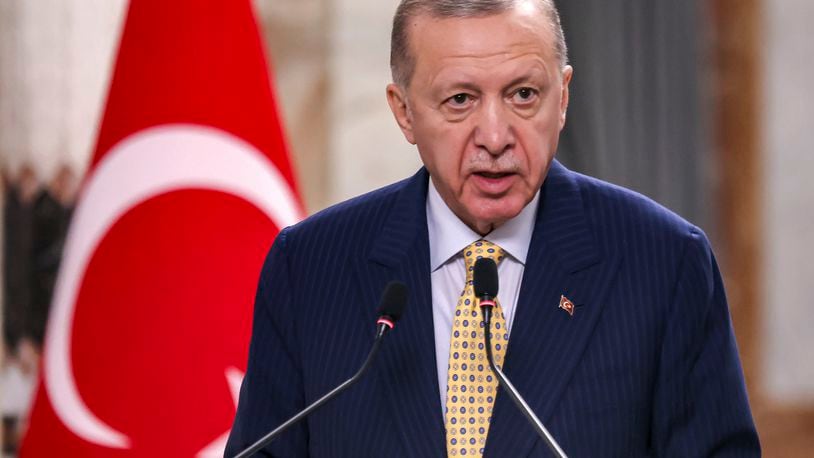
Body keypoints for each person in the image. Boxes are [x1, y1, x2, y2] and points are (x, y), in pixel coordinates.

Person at [225, 0, 760, 456]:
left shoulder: (663, 263)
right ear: (404, 112)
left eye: (523, 95)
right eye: (460, 100)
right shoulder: (311, 266)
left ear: (564, 96)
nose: (496, 136)